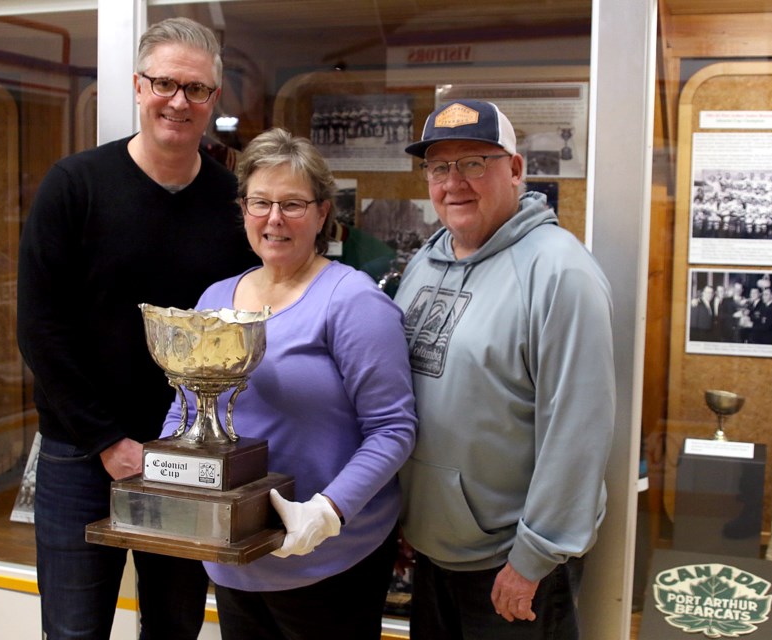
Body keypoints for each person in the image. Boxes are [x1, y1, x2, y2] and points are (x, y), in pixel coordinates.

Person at [16, 17, 259, 640]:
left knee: (175, 627)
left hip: (188, 457)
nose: (179, 101)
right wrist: (107, 442)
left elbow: (246, 323)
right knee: (73, 631)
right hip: (79, 454)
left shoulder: (234, 205)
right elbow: (40, 329)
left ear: (213, 100)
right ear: (137, 86)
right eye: (164, 83)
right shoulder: (74, 186)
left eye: (196, 89)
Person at [162, 127, 417, 640]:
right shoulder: (216, 298)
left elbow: (393, 429)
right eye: (260, 202)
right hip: (234, 555)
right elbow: (185, 411)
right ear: (243, 208)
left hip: (329, 559)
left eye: (293, 204)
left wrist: (327, 513)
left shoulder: (350, 301)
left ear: (323, 213)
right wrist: (166, 474)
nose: (274, 219)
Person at [393, 99, 616, 639]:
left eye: (474, 163)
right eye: (440, 167)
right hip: (432, 553)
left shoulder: (560, 272)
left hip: (511, 567)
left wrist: (533, 559)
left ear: (515, 169)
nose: (454, 182)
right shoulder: (425, 262)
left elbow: (577, 431)